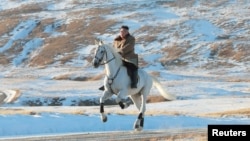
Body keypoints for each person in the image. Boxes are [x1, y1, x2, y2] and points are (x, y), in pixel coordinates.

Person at [99, 25, 138, 90]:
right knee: (109, 68)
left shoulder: (131, 39)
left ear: (127, 32)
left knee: (132, 68)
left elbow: (128, 47)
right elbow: (113, 48)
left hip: (129, 58)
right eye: (121, 31)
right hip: (118, 58)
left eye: (124, 31)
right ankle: (106, 84)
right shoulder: (116, 40)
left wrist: (119, 52)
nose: (122, 33)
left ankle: (134, 83)